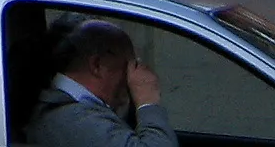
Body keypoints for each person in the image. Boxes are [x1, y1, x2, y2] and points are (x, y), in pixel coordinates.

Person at [27, 18, 178, 147]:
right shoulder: (71, 119)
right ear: (97, 65)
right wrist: (148, 102)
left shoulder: (75, 110)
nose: (131, 77)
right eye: (129, 66)